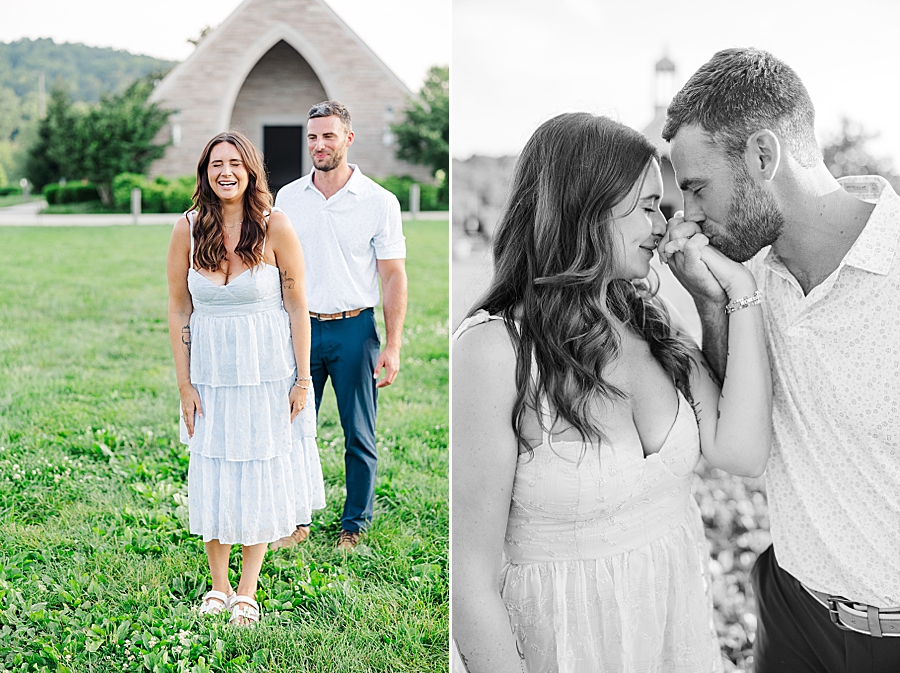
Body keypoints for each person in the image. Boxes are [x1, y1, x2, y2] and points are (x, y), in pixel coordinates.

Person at [452, 112, 773, 673]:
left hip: (678, 640)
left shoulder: (651, 317)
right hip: (566, 648)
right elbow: (468, 583)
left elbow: (740, 452)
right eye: (648, 204)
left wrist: (728, 295)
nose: (663, 222)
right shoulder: (495, 351)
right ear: (587, 202)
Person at [658, 47, 900, 673]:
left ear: (763, 156)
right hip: (791, 616)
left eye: (696, 186)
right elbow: (744, 439)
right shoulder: (750, 282)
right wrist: (711, 307)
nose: (688, 215)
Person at [166, 131, 325, 626]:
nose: (226, 172)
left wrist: (302, 380)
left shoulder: (275, 226)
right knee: (212, 469)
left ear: (251, 170)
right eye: (216, 164)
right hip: (210, 375)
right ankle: (217, 584)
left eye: (235, 162)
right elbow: (178, 309)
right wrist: (185, 385)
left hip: (267, 374)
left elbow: (298, 306)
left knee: (257, 471)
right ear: (205, 172)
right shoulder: (187, 230)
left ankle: (246, 590)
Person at [272, 101, 408, 551]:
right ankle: (296, 521)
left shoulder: (379, 201)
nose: (319, 145)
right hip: (299, 329)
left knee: (358, 434)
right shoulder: (287, 198)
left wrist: (393, 345)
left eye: (328, 136)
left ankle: (354, 525)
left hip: (355, 331)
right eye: (312, 137)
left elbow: (392, 275)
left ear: (348, 139)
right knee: (293, 430)